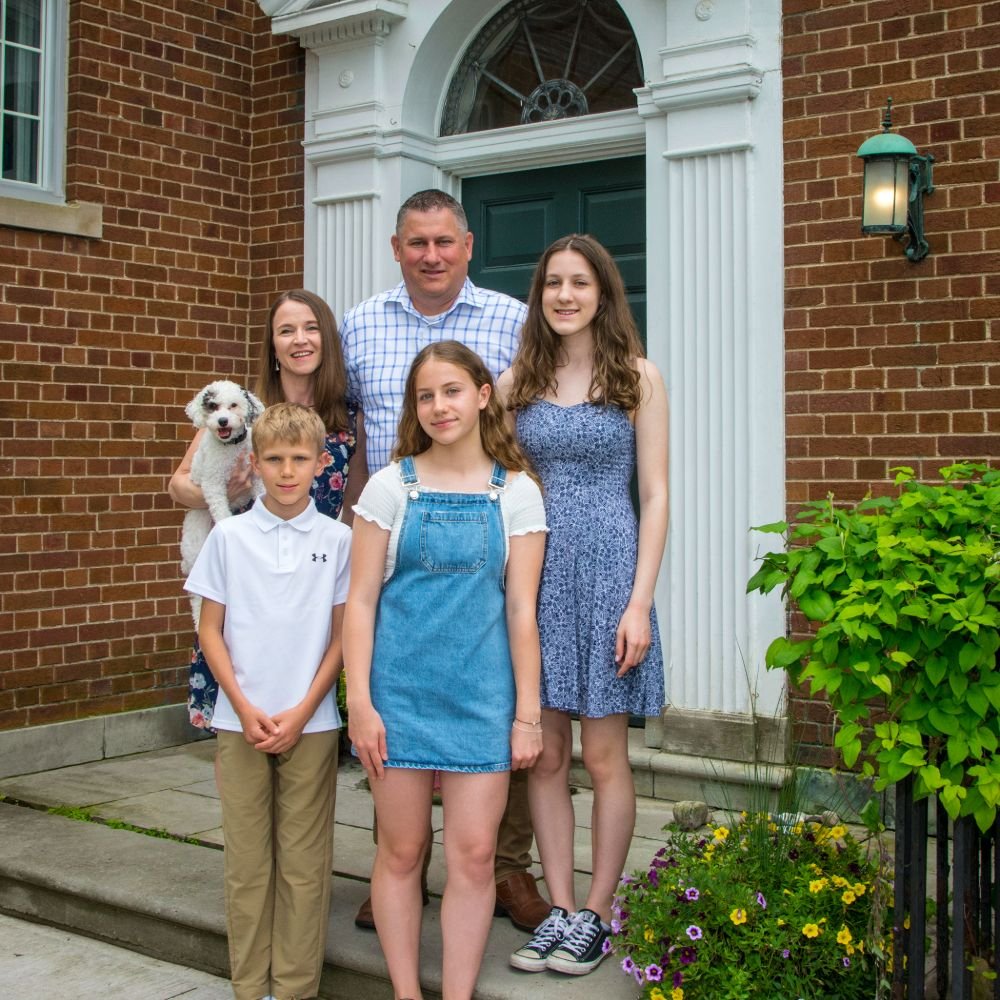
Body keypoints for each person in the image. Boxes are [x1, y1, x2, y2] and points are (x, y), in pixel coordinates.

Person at [340, 189, 550, 932]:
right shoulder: (360, 324)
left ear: (467, 246)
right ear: (396, 248)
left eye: (443, 241)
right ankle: (398, 867)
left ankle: (503, 866)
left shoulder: (513, 321)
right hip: (392, 526)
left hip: (494, 521)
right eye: (416, 242)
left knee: (494, 698)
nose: (431, 255)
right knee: (396, 712)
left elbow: (545, 412)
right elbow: (343, 423)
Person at [499, 234, 669, 977]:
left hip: (609, 577)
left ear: (603, 293)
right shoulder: (516, 383)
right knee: (545, 755)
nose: (564, 296)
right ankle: (560, 912)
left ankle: (598, 913)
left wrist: (639, 602)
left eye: (579, 283)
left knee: (602, 756)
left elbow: (655, 495)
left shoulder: (637, 377)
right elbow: (495, 479)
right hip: (538, 574)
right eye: (552, 284)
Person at [185, 402, 352, 1000]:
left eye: (299, 459)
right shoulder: (229, 537)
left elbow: (342, 638)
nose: (286, 471)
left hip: (312, 722)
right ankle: (250, 987)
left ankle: (296, 988)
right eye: (274, 459)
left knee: (305, 866)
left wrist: (304, 710)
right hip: (240, 721)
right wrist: (242, 704)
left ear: (320, 462)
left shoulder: (339, 540)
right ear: (253, 463)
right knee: (247, 864)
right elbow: (210, 630)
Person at [169, 289, 357, 729]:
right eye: (286, 331)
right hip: (248, 583)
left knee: (306, 717)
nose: (300, 339)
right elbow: (178, 484)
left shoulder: (347, 417)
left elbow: (355, 499)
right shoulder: (243, 411)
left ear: (327, 340)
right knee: (237, 723)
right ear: (272, 346)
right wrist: (226, 490)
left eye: (311, 328)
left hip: (311, 585)